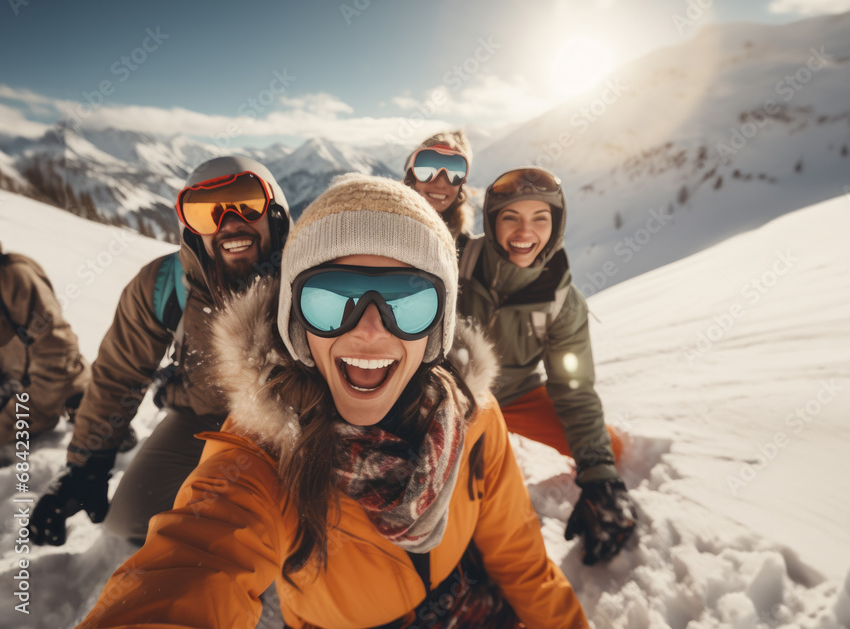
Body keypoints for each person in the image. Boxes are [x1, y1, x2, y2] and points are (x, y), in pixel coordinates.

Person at [76, 174, 589, 629]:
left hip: (470, 602)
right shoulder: (262, 454)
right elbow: (197, 561)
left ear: (440, 325)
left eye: (408, 301)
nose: (369, 331)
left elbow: (521, 562)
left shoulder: (474, 417)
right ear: (296, 323)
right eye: (331, 298)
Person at [29, 155, 292, 546]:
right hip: (202, 420)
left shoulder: (308, 275)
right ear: (190, 229)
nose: (229, 221)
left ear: (274, 212)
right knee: (131, 519)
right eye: (206, 212)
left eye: (246, 201)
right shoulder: (165, 285)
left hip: (297, 424)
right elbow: (120, 373)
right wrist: (88, 465)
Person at [456, 167, 637, 566]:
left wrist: (600, 477)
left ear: (555, 226)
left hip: (517, 395)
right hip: (456, 399)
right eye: (511, 218)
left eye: (540, 218)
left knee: (610, 450)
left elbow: (574, 388)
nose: (525, 232)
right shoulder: (455, 263)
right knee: (467, 484)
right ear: (491, 221)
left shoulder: (562, 300)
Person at [0, 242, 90, 444]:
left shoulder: (15, 278)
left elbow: (58, 359)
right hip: (15, 381)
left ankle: (88, 408)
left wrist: (9, 418)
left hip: (49, 387)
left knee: (97, 419)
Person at [402, 130, 474, 241]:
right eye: (426, 170)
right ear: (411, 178)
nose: (440, 184)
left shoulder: (470, 250)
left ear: (461, 185)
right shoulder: (383, 229)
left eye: (455, 173)